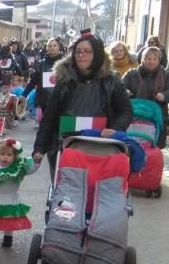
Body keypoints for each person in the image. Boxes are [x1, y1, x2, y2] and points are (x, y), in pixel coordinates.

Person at [33, 31, 133, 177]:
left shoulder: (112, 81)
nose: (81, 55)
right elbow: (50, 116)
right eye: (78, 51)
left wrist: (116, 129)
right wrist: (39, 148)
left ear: (97, 54)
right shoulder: (64, 80)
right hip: (65, 147)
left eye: (87, 51)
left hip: (101, 147)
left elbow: (125, 111)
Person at [122, 46, 169, 146]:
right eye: (149, 59)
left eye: (155, 59)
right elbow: (120, 87)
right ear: (143, 59)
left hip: (156, 116)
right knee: (131, 143)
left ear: (159, 60)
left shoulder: (166, 75)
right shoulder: (131, 74)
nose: (151, 62)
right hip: (134, 115)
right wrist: (125, 92)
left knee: (153, 145)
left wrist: (164, 95)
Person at [22, 37, 63, 126]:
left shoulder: (65, 63)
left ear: (58, 47)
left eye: (54, 45)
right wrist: (24, 95)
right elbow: (33, 82)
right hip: (45, 100)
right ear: (47, 48)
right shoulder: (41, 64)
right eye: (50, 46)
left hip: (61, 99)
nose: (52, 48)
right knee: (47, 125)